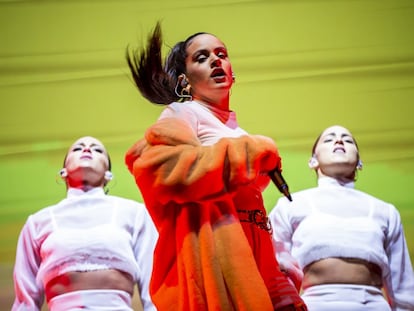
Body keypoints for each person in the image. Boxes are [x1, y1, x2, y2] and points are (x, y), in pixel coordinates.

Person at [124, 21, 306, 311]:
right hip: (216, 266)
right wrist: (248, 153)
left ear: (233, 71)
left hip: (254, 260)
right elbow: (158, 167)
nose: (215, 60)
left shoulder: (240, 131)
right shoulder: (184, 112)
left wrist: (280, 287)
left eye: (221, 53)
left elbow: (255, 223)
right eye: (202, 57)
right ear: (185, 81)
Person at [269, 125, 414, 311]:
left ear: (360, 162)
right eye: (329, 139)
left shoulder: (385, 211)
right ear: (313, 161)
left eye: (347, 139)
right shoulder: (291, 205)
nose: (339, 140)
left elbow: (402, 286)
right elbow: (276, 269)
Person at [12, 136, 158, 311]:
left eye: (97, 150)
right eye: (77, 148)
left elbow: (152, 286)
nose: (87, 149)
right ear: (63, 170)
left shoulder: (135, 213)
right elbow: (25, 300)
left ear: (108, 174)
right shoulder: (37, 222)